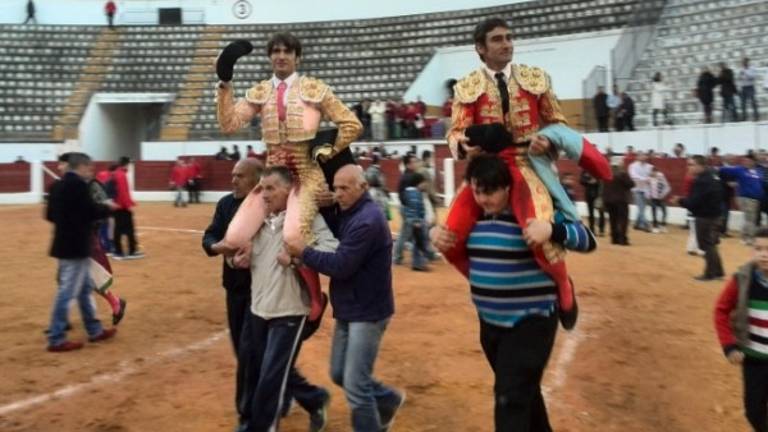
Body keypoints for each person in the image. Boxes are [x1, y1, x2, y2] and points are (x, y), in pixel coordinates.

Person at [443, 17, 610, 329]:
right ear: (480, 48)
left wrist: (547, 139)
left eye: (509, 37)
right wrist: (465, 145)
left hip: (526, 164)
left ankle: (563, 287)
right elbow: (455, 133)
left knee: (539, 233)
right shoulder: (466, 87)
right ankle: (481, 280)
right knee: (449, 237)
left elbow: (556, 122)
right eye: (497, 39)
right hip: (487, 167)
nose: (507, 44)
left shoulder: (536, 78)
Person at [431, 154, 595, 431]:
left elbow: (588, 240)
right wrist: (434, 232)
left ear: (507, 188)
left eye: (490, 191)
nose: (483, 199)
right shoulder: (471, 219)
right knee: (523, 394)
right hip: (490, 325)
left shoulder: (534, 213)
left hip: (531, 322)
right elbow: (448, 241)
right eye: (478, 191)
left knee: (510, 400)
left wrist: (552, 229)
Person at [215, 31, 362, 322]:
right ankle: (263, 287)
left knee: (294, 236)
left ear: (297, 57)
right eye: (276, 51)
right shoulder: (260, 92)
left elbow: (352, 124)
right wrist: (225, 84)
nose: (281, 56)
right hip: (273, 176)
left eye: (287, 51)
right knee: (233, 237)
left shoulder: (314, 88)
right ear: (270, 56)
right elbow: (229, 124)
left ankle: (315, 295)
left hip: (305, 174)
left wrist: (324, 150)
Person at [284, 164, 405, 432]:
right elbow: (336, 229)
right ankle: (388, 400)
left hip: (368, 311)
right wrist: (326, 205)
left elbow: (341, 265)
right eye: (335, 188)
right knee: (340, 373)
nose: (338, 194)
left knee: (356, 386)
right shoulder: (352, 212)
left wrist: (303, 252)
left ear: (363, 187)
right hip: (351, 307)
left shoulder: (367, 220)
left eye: (344, 188)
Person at [237, 166, 336, 432]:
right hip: (259, 308)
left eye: (271, 188)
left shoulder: (305, 219)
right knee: (262, 370)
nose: (264, 194)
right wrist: (236, 261)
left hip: (290, 311)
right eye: (262, 189)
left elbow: (332, 250)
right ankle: (315, 400)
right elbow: (240, 254)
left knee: (271, 378)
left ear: (288, 190)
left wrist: (298, 257)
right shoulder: (256, 220)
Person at [202, 159, 264, 427]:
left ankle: (247, 415)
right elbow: (210, 235)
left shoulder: (268, 204)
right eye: (232, 175)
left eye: (240, 176)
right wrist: (218, 247)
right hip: (235, 288)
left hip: (261, 289)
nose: (233, 180)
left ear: (256, 179)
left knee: (249, 352)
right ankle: (303, 394)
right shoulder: (226, 204)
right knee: (243, 350)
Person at [45, 153, 118, 352]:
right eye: (89, 168)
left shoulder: (57, 185)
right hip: (76, 246)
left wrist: (68, 222)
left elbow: (50, 215)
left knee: (84, 289)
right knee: (67, 291)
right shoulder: (78, 185)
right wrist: (107, 208)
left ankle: (94, 329)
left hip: (63, 244)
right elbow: (89, 212)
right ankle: (56, 337)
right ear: (82, 167)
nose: (91, 172)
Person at [714, 227, 768, 432]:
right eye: (758, 248)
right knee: (753, 411)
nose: (764, 254)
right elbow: (721, 311)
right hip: (753, 360)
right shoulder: (741, 280)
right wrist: (729, 346)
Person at [674, 155, 724, 281]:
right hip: (716, 214)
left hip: (705, 216)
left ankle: (710, 273)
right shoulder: (714, 176)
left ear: (700, 166)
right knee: (711, 244)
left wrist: (680, 201)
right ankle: (717, 272)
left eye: (691, 165)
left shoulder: (701, 181)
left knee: (706, 245)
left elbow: (694, 202)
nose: (689, 168)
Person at [720, 155, 764, 245]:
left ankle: (745, 237)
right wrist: (727, 181)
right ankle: (749, 238)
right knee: (750, 219)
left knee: (750, 219)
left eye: (748, 161)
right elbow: (722, 171)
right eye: (745, 161)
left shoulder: (757, 171)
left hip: (756, 198)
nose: (746, 162)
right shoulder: (739, 169)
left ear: (753, 162)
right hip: (745, 197)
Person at [112, 156, 144, 260]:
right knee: (128, 229)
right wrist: (128, 205)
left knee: (118, 229)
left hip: (116, 206)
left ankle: (118, 251)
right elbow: (123, 192)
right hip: (122, 207)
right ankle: (131, 251)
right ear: (126, 164)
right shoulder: (121, 175)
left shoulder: (116, 173)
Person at [393, 153, 420, 265]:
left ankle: (421, 256)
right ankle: (397, 256)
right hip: (408, 209)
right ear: (408, 164)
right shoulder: (410, 177)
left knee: (413, 233)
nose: (416, 164)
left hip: (407, 208)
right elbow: (405, 195)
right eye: (414, 162)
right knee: (405, 234)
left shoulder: (408, 175)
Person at [602, 157, 635, 245]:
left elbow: (603, 188)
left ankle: (614, 238)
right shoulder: (622, 174)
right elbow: (631, 184)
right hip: (621, 200)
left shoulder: (606, 173)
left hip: (609, 200)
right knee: (623, 220)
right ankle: (622, 239)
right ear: (620, 164)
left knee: (613, 219)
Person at [402, 173, 430, 271]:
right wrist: (417, 221)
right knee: (420, 242)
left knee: (416, 242)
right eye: (423, 183)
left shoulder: (408, 192)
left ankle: (416, 263)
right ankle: (419, 264)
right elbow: (415, 209)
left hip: (412, 220)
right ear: (418, 183)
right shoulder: (415, 194)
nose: (425, 185)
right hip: (417, 221)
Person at [628, 152, 653, 232]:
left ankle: (636, 224)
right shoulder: (633, 166)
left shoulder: (650, 167)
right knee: (641, 207)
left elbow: (652, 177)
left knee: (642, 208)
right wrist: (645, 179)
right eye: (641, 155)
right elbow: (633, 176)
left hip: (646, 190)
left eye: (644, 155)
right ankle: (644, 224)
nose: (643, 157)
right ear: (637, 157)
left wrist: (644, 179)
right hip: (637, 189)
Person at [580, 170, 605, 236]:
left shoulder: (599, 171)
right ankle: (592, 230)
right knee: (591, 213)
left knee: (601, 212)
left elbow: (602, 182)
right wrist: (589, 181)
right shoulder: (585, 170)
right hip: (589, 195)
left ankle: (601, 230)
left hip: (598, 195)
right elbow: (581, 180)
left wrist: (596, 181)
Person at [648, 165, 671, 233]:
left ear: (656, 172)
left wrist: (662, 195)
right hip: (653, 198)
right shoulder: (649, 178)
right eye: (651, 172)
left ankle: (662, 225)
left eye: (654, 172)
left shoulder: (661, 177)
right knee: (654, 212)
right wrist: (648, 195)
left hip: (661, 198)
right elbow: (647, 188)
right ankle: (655, 226)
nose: (652, 173)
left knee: (664, 212)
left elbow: (668, 187)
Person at [738, 57, 760, 122]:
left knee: (753, 102)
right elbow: (740, 78)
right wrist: (740, 77)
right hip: (743, 87)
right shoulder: (741, 69)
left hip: (750, 87)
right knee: (743, 103)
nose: (743, 63)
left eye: (745, 62)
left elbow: (752, 77)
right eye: (743, 62)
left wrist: (745, 72)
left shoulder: (752, 68)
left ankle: (756, 116)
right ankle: (744, 117)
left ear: (748, 62)